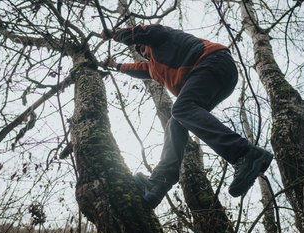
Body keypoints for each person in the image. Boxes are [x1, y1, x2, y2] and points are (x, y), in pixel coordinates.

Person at [100, 24, 273, 209]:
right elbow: (138, 68)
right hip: (215, 76)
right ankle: (157, 184)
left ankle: (246, 154)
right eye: (141, 51)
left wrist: (115, 34)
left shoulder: (160, 36)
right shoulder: (153, 67)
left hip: (212, 60)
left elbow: (143, 33)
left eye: (142, 46)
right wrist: (115, 66)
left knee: (181, 108)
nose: (142, 50)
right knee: (177, 122)